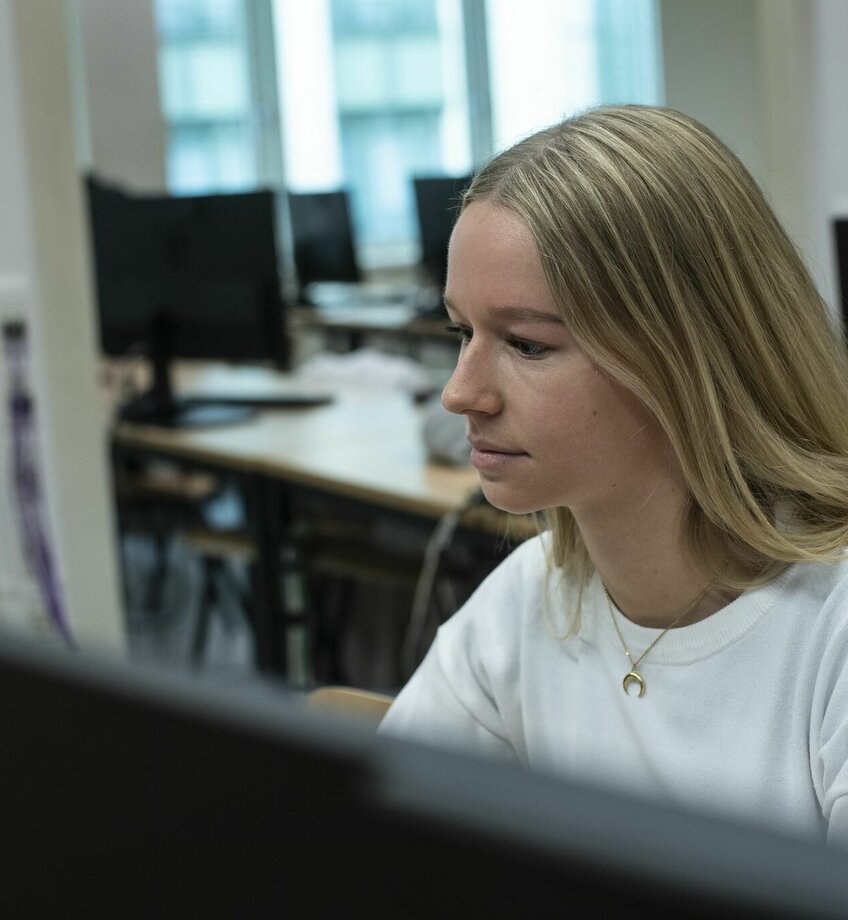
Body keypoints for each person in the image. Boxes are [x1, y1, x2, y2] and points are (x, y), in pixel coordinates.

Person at [378, 104, 848, 848]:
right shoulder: (529, 602)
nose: (461, 393)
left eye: (527, 345)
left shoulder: (830, 628)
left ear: (690, 355)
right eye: (461, 333)